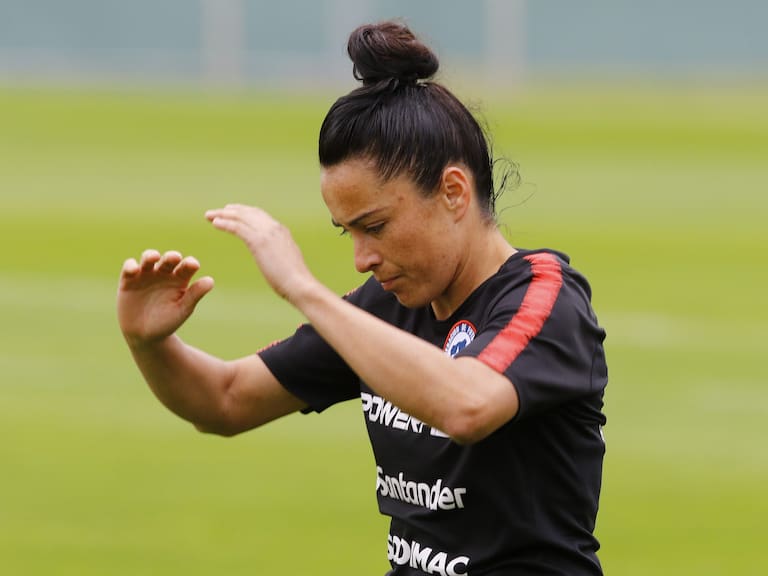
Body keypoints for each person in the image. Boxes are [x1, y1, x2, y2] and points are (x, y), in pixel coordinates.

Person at [117, 20, 608, 576]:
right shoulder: (385, 308)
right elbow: (225, 400)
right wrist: (148, 341)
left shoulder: (545, 295)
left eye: (374, 226)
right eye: (346, 231)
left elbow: (468, 405)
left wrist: (303, 289)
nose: (362, 258)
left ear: (453, 192)